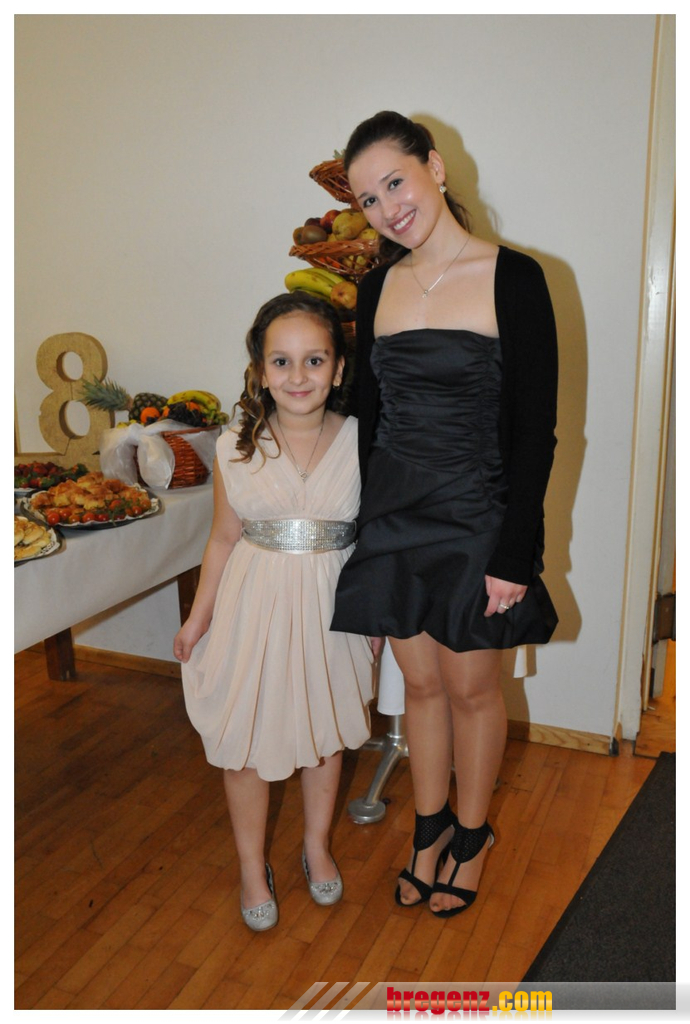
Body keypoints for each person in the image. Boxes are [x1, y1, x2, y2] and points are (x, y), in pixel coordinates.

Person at [331, 111, 558, 918]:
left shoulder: (514, 277)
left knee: (470, 690)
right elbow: (371, 421)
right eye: (368, 199)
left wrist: (516, 553)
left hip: (475, 519)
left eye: (395, 182)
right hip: (395, 517)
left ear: (435, 167)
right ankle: (427, 830)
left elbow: (536, 430)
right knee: (417, 688)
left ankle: (471, 835)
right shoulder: (377, 286)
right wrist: (363, 536)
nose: (387, 208)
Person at [174, 292, 375, 932]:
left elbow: (374, 539)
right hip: (252, 605)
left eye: (314, 360)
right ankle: (249, 865)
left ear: (338, 369)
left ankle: (316, 846)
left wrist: (372, 618)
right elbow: (222, 539)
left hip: (331, 607)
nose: (298, 376)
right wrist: (198, 618)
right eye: (281, 361)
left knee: (323, 734)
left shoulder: (363, 441)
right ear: (261, 371)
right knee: (246, 739)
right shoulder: (236, 446)